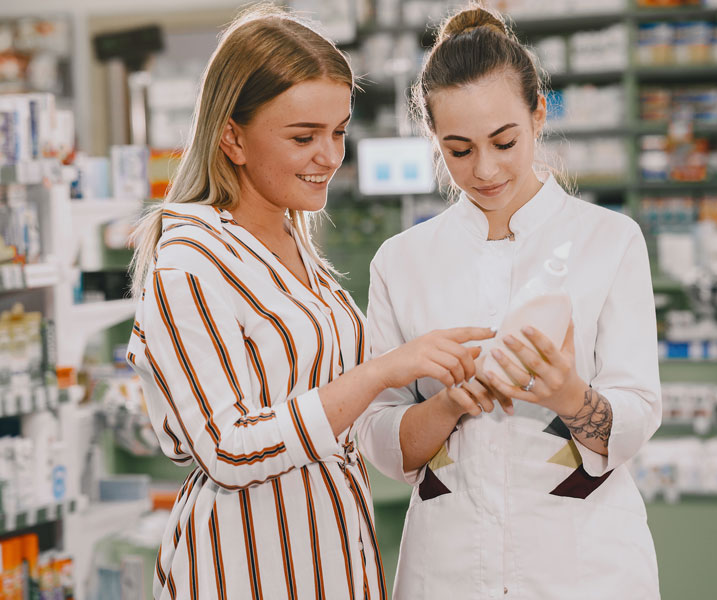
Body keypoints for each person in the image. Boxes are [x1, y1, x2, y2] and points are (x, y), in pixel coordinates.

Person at [126, 5, 493, 598]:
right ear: (232, 137)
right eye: (304, 137)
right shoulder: (191, 262)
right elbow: (228, 448)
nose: (330, 156)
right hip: (246, 572)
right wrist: (383, 371)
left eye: (339, 131)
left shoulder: (293, 243)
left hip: (332, 562)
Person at [356, 5, 662, 599]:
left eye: (503, 141)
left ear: (538, 114)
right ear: (433, 139)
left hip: (584, 566)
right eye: (459, 150)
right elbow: (381, 440)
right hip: (448, 569)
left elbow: (637, 414)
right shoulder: (401, 260)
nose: (486, 169)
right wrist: (447, 405)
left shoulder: (610, 241)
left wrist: (566, 394)